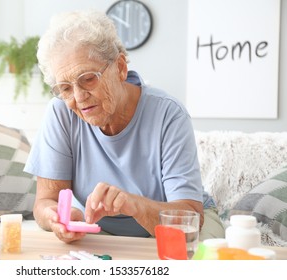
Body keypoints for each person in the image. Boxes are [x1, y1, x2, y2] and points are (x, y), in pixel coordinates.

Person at [24, 10, 225, 243]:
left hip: (175, 225)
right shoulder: (60, 113)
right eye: (66, 88)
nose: (78, 97)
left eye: (88, 79)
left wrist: (134, 206)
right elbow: (46, 201)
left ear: (120, 67)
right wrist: (55, 217)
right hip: (100, 228)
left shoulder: (168, 114)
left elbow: (188, 216)